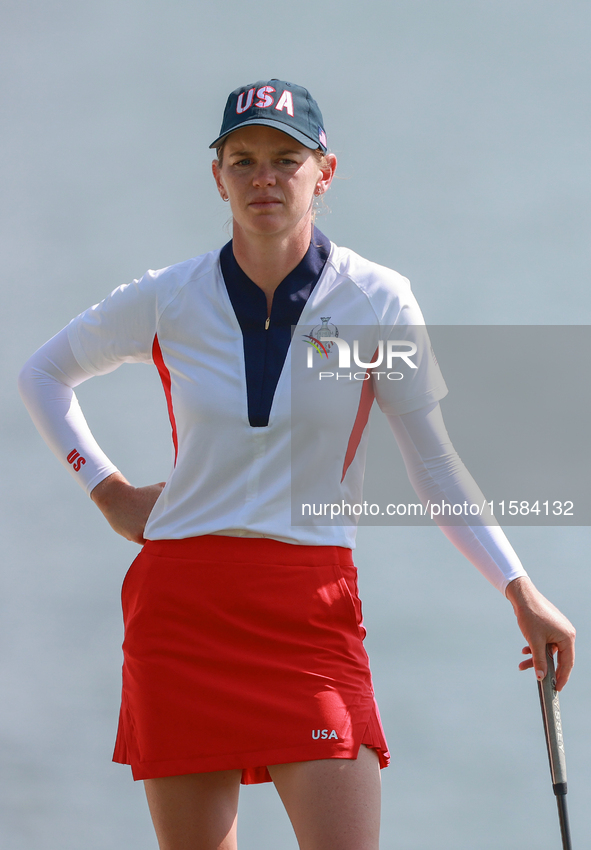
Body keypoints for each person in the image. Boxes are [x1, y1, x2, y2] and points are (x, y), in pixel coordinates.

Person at [19, 79, 575, 850]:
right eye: (242, 161)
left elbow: (434, 464)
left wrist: (520, 589)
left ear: (325, 171)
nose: (263, 179)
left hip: (309, 611)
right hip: (181, 608)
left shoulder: (378, 299)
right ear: (217, 176)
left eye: (285, 159)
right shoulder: (167, 297)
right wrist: (105, 488)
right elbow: (43, 374)